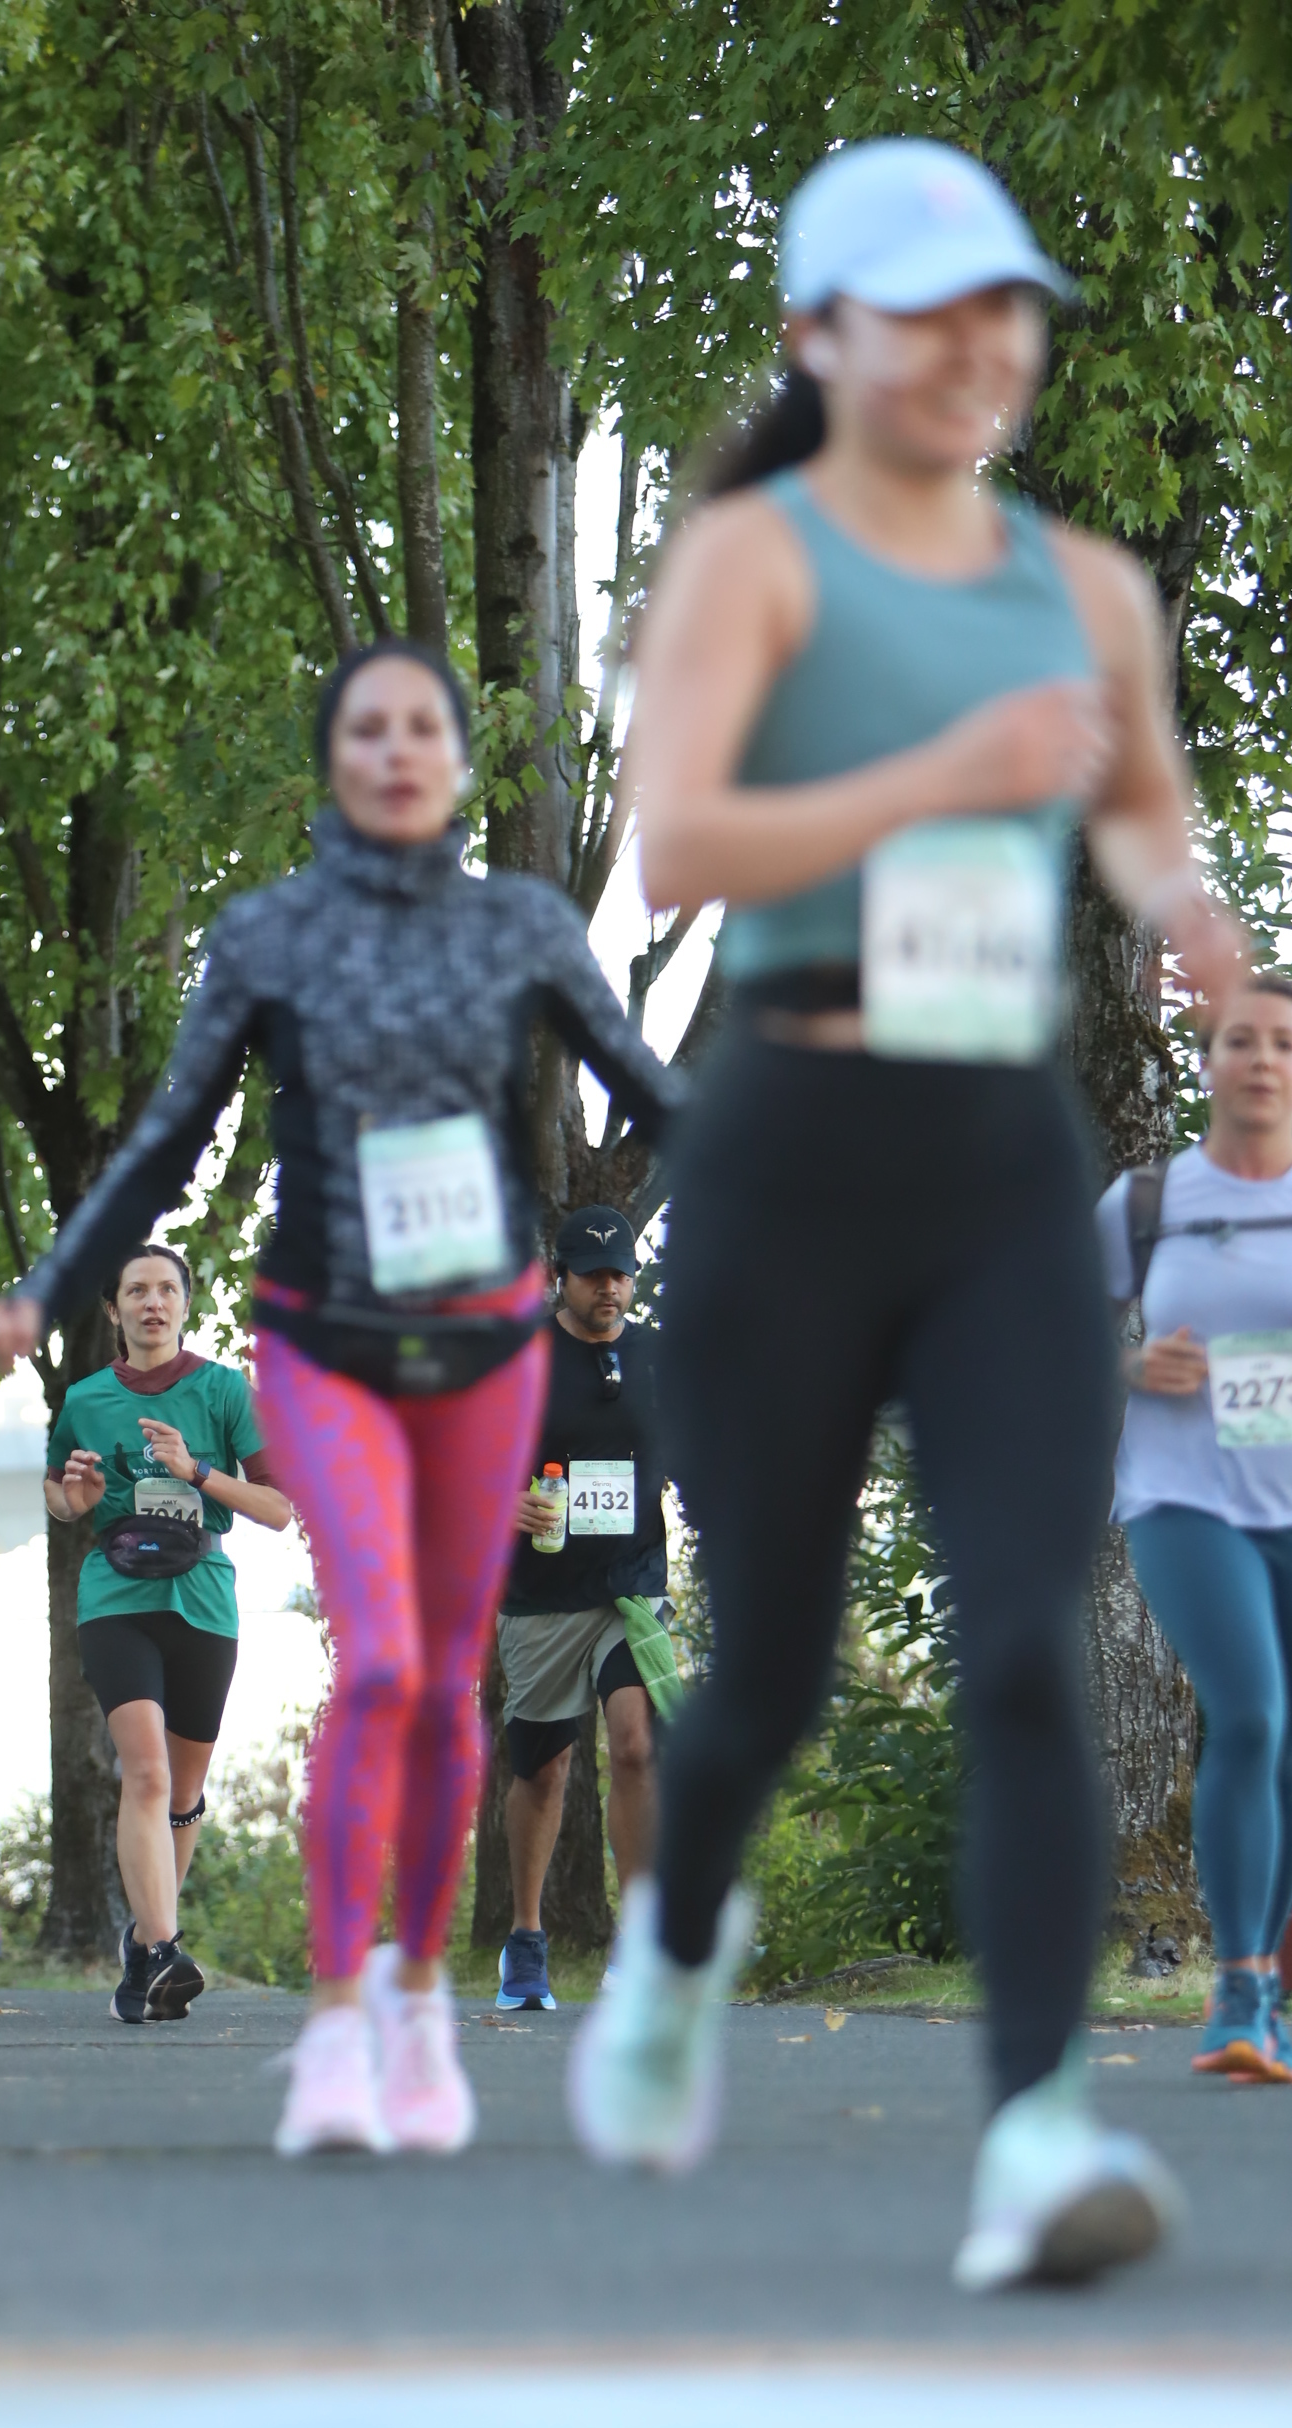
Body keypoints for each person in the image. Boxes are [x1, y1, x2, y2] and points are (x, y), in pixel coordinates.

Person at [569, 137, 1248, 2291]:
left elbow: (1140, 815)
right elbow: (683, 842)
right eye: (931, 313)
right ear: (818, 337)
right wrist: (945, 773)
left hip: (997, 1164)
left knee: (1025, 1635)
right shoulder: (751, 561)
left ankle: (1037, 2135)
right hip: (788, 1141)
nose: (981, 349)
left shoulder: (1088, 588)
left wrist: (1204, 929)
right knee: (764, 1664)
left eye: (1006, 312)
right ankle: (676, 1946)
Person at [0, 640, 679, 2152]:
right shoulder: (270, 934)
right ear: (335, 761)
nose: (398, 749)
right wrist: (48, 1283)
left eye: (425, 726)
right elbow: (169, 1137)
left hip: (479, 1346)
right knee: (379, 1668)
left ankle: (419, 2005)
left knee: (439, 1680)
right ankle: (343, 2022)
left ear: (458, 762)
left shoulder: (520, 927)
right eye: (368, 728)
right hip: (326, 1341)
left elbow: (652, 1089)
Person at [1101, 971, 1292, 2078]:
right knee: (1252, 1716)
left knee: (1286, 1745)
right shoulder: (1147, 1200)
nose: (1262, 1059)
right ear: (1207, 1058)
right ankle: (1237, 1996)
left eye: (1284, 1043)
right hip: (1183, 1498)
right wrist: (1129, 1365)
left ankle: (1265, 1985)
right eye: (1241, 1040)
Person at [44, 1242, 292, 2022]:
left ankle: (143, 1953)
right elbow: (59, 1496)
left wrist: (197, 1472)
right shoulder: (84, 1398)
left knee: (182, 1794)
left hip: (204, 1599)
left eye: (166, 1290)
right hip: (116, 1595)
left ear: (186, 1305)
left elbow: (279, 1508)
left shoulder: (225, 1390)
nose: (152, 1303)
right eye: (136, 1290)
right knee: (146, 1774)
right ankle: (162, 1946)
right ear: (113, 1309)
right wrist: (77, 1497)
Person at [493, 1204, 673, 2011]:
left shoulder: (657, 1358)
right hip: (541, 1597)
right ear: (559, 1277)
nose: (610, 1288)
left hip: (631, 1587)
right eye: (594, 1275)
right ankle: (525, 1939)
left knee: (635, 1744)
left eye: (620, 1274)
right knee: (544, 1770)